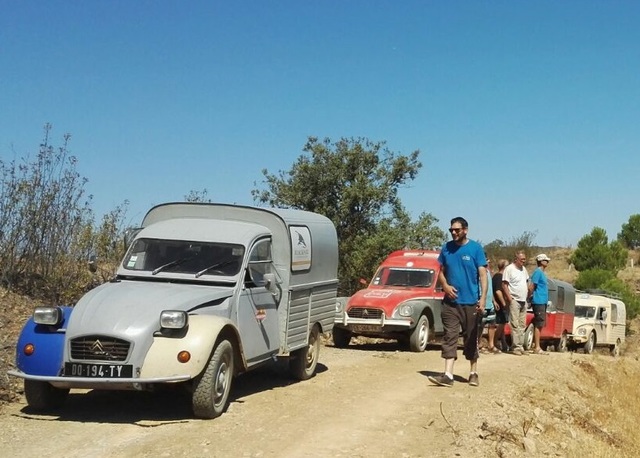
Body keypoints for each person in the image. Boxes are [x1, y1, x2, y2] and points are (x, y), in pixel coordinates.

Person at [428, 217, 487, 387]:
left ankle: (473, 372)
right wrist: (445, 285)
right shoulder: (446, 248)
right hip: (450, 303)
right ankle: (448, 375)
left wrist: (482, 298)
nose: (454, 233)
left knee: (470, 338)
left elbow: (483, 275)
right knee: (450, 336)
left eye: (457, 230)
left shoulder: (475, 249)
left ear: (465, 230)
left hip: (470, 303)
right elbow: (440, 270)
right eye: (451, 230)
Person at [502, 251, 530, 356]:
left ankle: (520, 345)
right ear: (516, 259)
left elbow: (527, 281)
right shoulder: (509, 269)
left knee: (522, 324)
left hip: (523, 300)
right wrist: (510, 299)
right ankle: (515, 346)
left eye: (524, 259)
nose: (524, 261)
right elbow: (504, 284)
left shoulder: (524, 270)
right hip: (515, 300)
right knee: (514, 323)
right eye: (522, 259)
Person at [530, 253, 551, 355]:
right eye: (545, 260)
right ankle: (537, 347)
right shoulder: (538, 272)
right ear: (541, 261)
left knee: (540, 323)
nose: (547, 262)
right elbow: (532, 286)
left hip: (542, 301)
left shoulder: (542, 273)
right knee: (538, 323)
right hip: (538, 300)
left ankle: (536, 345)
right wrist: (529, 296)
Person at [480, 258, 499, 354]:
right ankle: (478, 345)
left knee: (492, 324)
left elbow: (490, 288)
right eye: (487, 261)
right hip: (482, 303)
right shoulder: (479, 272)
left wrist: (494, 301)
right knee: (480, 325)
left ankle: (491, 345)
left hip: (490, 303)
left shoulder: (488, 272)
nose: (488, 262)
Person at [492, 259, 510, 352]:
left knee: (502, 324)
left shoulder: (496, 276)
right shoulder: (499, 277)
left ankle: (503, 343)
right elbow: (498, 291)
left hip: (499, 304)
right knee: (501, 324)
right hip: (500, 305)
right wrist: (503, 303)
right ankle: (494, 342)